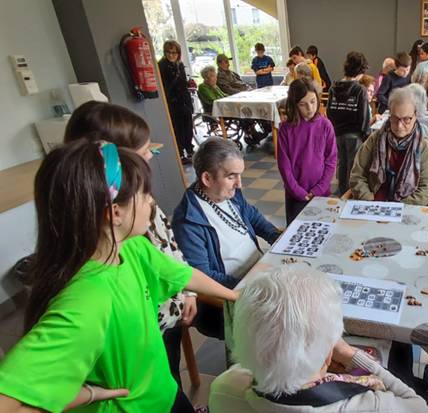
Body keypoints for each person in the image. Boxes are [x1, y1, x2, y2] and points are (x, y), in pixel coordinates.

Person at [0, 140, 239, 413]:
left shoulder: (131, 246)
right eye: (144, 194)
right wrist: (85, 395)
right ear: (115, 213)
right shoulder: (88, 300)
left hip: (164, 391)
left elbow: (183, 274)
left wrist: (236, 296)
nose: (152, 201)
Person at [62, 100, 197, 388]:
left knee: (168, 380)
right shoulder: (94, 286)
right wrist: (89, 396)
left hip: (168, 316)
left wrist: (189, 292)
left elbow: (170, 253)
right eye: (144, 151)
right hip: (144, 334)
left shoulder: (135, 208)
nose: (151, 156)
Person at [209, 266, 428, 412]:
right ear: (327, 357)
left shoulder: (223, 388)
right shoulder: (371, 406)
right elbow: (420, 406)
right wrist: (353, 355)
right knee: (399, 352)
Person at [172, 138, 281, 339]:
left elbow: (254, 218)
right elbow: (203, 276)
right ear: (207, 178)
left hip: (259, 272)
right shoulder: (188, 220)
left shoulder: (231, 193)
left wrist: (277, 237)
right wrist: (250, 285)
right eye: (232, 176)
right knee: (288, 320)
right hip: (229, 296)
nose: (240, 184)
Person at [349, 87, 428, 205]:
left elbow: (426, 189)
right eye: (395, 118)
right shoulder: (375, 139)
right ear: (390, 115)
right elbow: (357, 175)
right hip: (374, 203)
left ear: (415, 115)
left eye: (406, 119)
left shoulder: (423, 146)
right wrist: (369, 200)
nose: (400, 126)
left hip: (408, 206)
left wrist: (399, 208)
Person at [278, 79, 337, 223]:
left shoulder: (325, 125)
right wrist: (298, 192)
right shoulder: (286, 129)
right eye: (303, 104)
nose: (310, 108)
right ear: (294, 105)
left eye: (312, 101)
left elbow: (331, 160)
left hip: (321, 193)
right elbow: (284, 165)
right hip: (296, 195)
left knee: (322, 229)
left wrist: (320, 188)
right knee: (296, 234)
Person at [327, 51, 371, 196]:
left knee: (342, 165)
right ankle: (350, 194)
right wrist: (367, 136)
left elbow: (329, 112)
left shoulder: (333, 88)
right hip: (354, 135)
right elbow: (363, 116)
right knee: (353, 167)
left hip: (337, 133)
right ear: (360, 71)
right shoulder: (360, 90)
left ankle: (341, 192)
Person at [158, 40, 194, 162]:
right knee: (177, 129)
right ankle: (180, 153)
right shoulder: (161, 66)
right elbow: (165, 87)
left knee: (188, 127)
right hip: (172, 103)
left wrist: (188, 84)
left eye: (174, 52)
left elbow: (183, 85)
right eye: (169, 52)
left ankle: (189, 150)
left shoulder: (179, 64)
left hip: (184, 101)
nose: (171, 55)